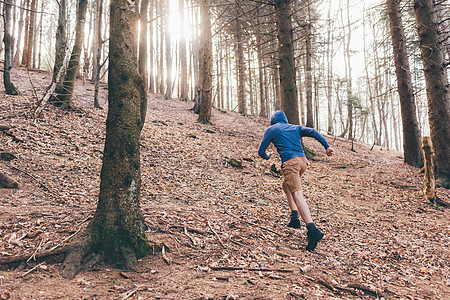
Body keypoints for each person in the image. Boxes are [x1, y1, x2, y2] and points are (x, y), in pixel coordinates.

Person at [258, 110, 334, 251]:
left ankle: (312, 230)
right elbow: (312, 131)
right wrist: (327, 146)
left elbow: (260, 151)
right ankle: (294, 218)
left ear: (273, 121)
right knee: (286, 186)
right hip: (302, 162)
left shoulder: (271, 129)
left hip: (290, 164)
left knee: (297, 194)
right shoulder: (295, 127)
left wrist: (267, 156)